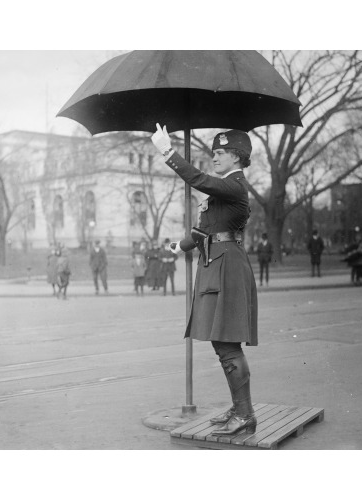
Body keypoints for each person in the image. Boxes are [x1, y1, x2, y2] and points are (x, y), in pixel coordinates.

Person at [152, 124, 258, 436]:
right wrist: (174, 248)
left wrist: (168, 152)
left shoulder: (235, 186)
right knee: (221, 342)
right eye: (214, 152)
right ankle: (240, 408)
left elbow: (198, 179)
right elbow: (203, 233)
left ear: (237, 157)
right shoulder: (222, 192)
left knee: (227, 344)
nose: (214, 157)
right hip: (216, 265)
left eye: (221, 153)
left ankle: (245, 413)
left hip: (227, 268)